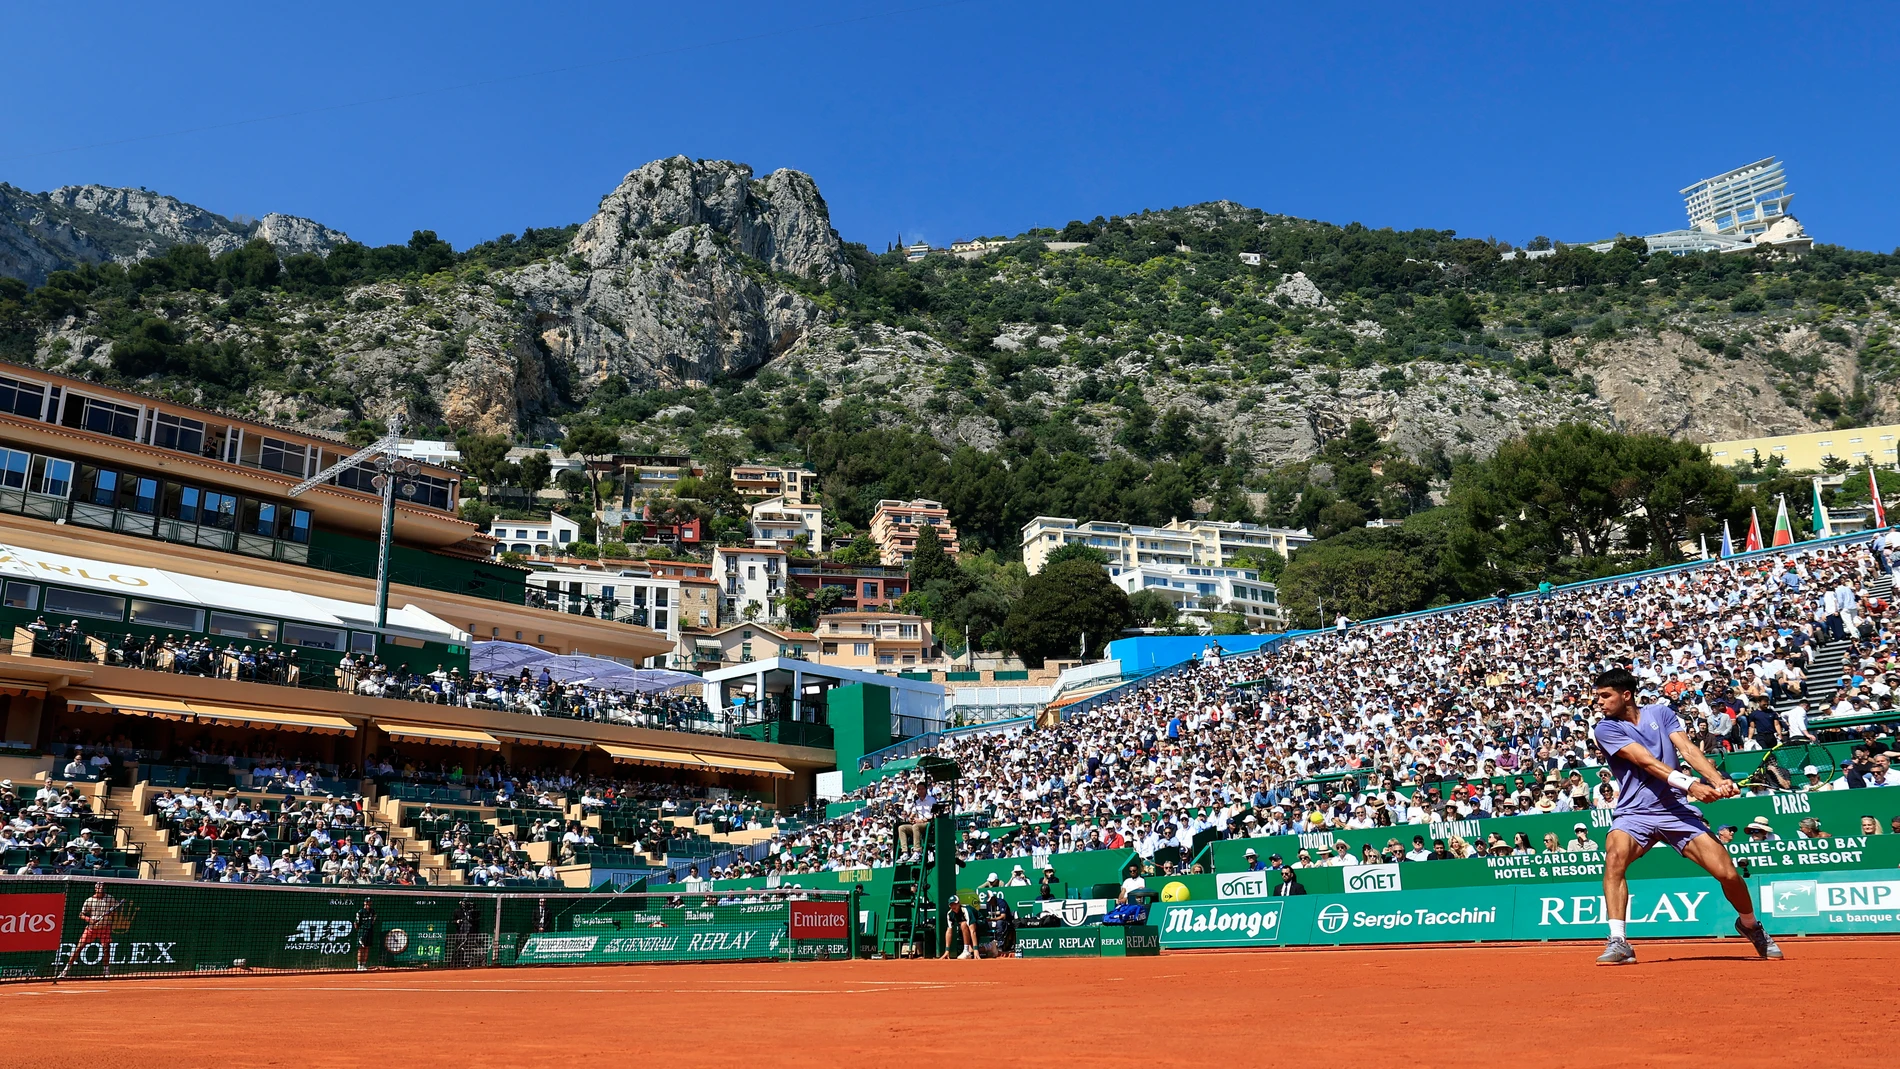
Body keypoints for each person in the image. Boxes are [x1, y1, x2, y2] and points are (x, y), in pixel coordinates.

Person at [1589, 667, 1780, 965]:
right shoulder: (1605, 728)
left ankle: (1750, 924)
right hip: (1633, 813)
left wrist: (1716, 780)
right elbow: (1646, 762)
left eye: (1605, 696)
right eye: (1597, 697)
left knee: (1727, 873)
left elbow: (1688, 750)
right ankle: (1619, 940)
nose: (1598, 702)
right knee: (1614, 858)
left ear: (1626, 695)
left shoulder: (1661, 714)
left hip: (1676, 810)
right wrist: (1693, 784)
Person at [55, 882, 121, 981]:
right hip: (91, 928)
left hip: (105, 928)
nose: (100, 888)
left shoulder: (110, 898)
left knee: (106, 948)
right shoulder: (89, 900)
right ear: (95, 888)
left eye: (102, 887)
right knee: (79, 948)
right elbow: (81, 914)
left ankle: (106, 970)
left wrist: (112, 914)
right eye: (99, 887)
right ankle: (66, 970)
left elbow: (115, 911)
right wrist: (89, 919)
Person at [895, 783, 937, 864]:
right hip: (918, 824)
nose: (920, 791)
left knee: (915, 826)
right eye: (919, 789)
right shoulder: (917, 802)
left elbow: (934, 814)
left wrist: (922, 820)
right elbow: (912, 814)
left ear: (925, 789)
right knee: (901, 828)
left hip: (928, 823)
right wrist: (911, 818)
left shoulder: (931, 800)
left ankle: (917, 852)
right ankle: (905, 853)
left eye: (922, 789)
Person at [355, 898, 378, 972]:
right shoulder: (360, 912)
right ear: (364, 903)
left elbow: (374, 920)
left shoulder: (372, 911)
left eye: (369, 902)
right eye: (366, 902)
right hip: (362, 931)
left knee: (367, 948)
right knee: (360, 948)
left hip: (370, 931)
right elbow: (356, 923)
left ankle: (364, 965)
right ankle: (359, 965)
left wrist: (370, 926)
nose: (368, 904)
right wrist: (360, 930)